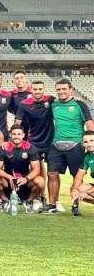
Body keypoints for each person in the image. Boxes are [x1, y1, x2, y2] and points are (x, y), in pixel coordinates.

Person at [41, 78, 94, 214]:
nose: (61, 91)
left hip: (76, 144)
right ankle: (52, 204)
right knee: (52, 173)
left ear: (70, 89)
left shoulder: (79, 104)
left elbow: (89, 123)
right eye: (58, 89)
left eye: (64, 89)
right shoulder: (53, 104)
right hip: (56, 144)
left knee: (76, 175)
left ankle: (76, 204)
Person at [14, 80, 54, 205]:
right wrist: (14, 138)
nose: (37, 91)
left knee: (53, 172)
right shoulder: (24, 104)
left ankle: (54, 200)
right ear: (31, 90)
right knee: (37, 169)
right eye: (35, 89)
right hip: (34, 142)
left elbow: (64, 101)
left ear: (44, 89)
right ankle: (40, 196)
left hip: (51, 141)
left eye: (40, 89)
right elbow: (17, 123)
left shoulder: (51, 100)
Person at [0, 125, 44, 213]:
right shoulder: (3, 148)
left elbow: (36, 169)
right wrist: (9, 177)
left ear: (23, 135)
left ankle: (29, 202)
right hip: (8, 181)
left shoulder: (30, 148)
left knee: (40, 181)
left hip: (25, 181)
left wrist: (26, 179)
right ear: (10, 135)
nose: (16, 136)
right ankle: (5, 201)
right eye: (14, 134)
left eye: (19, 134)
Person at [70, 131, 94, 215]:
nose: (89, 144)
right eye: (86, 142)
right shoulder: (87, 156)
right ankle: (75, 207)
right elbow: (79, 176)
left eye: (92, 140)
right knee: (78, 189)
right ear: (83, 144)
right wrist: (74, 190)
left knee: (84, 192)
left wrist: (87, 192)